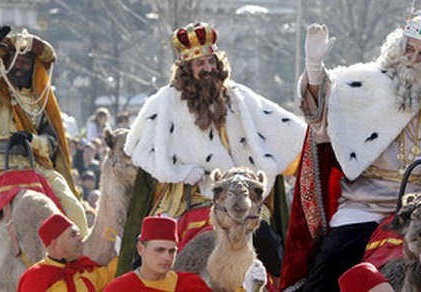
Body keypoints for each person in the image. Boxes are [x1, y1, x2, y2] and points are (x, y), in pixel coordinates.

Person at [280, 2, 421, 291]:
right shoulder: (365, 87)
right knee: (330, 265)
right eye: (410, 50)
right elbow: (319, 117)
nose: (414, 59)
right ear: (398, 50)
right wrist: (314, 70)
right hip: (363, 204)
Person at [121, 22, 307, 282]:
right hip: (189, 195)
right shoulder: (166, 101)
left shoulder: (240, 97)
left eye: (211, 62)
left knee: (271, 245)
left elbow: (291, 132)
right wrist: (180, 172)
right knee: (151, 249)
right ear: (187, 69)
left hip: (243, 198)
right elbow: (137, 148)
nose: (207, 68)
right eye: (200, 64)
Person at [0, 26, 88, 267]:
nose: (20, 66)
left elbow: (52, 143)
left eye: (26, 62)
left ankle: (83, 266)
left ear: (34, 66)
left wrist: (31, 139)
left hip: (33, 163)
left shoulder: (42, 98)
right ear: (4, 62)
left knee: (75, 208)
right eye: (15, 60)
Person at [105, 215, 267, 291]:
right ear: (141, 249)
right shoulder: (119, 289)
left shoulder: (191, 284)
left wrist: (249, 289)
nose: (167, 257)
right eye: (159, 250)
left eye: (172, 251)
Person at [17, 213, 113, 291]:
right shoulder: (35, 279)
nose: (80, 237)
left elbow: (113, 275)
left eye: (78, 233)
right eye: (73, 234)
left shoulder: (85, 269)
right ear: (56, 244)